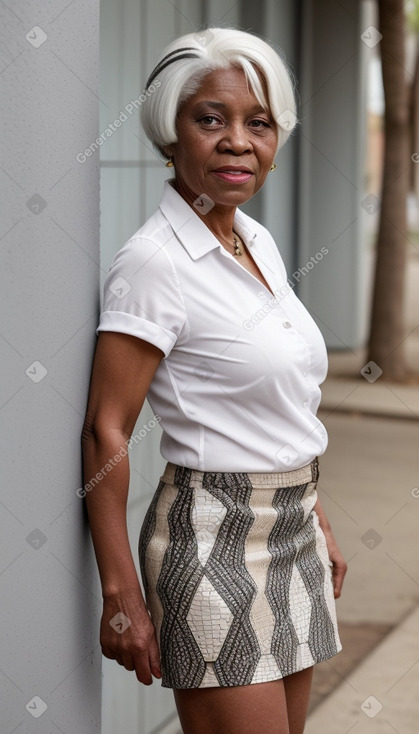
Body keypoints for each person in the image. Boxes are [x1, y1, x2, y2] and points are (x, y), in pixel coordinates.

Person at [81, 27, 347, 734]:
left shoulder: (252, 238)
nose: (237, 140)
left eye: (257, 122)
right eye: (210, 119)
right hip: (210, 543)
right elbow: (106, 426)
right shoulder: (154, 262)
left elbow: (274, 397)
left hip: (293, 529)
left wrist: (313, 514)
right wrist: (119, 593)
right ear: (171, 135)